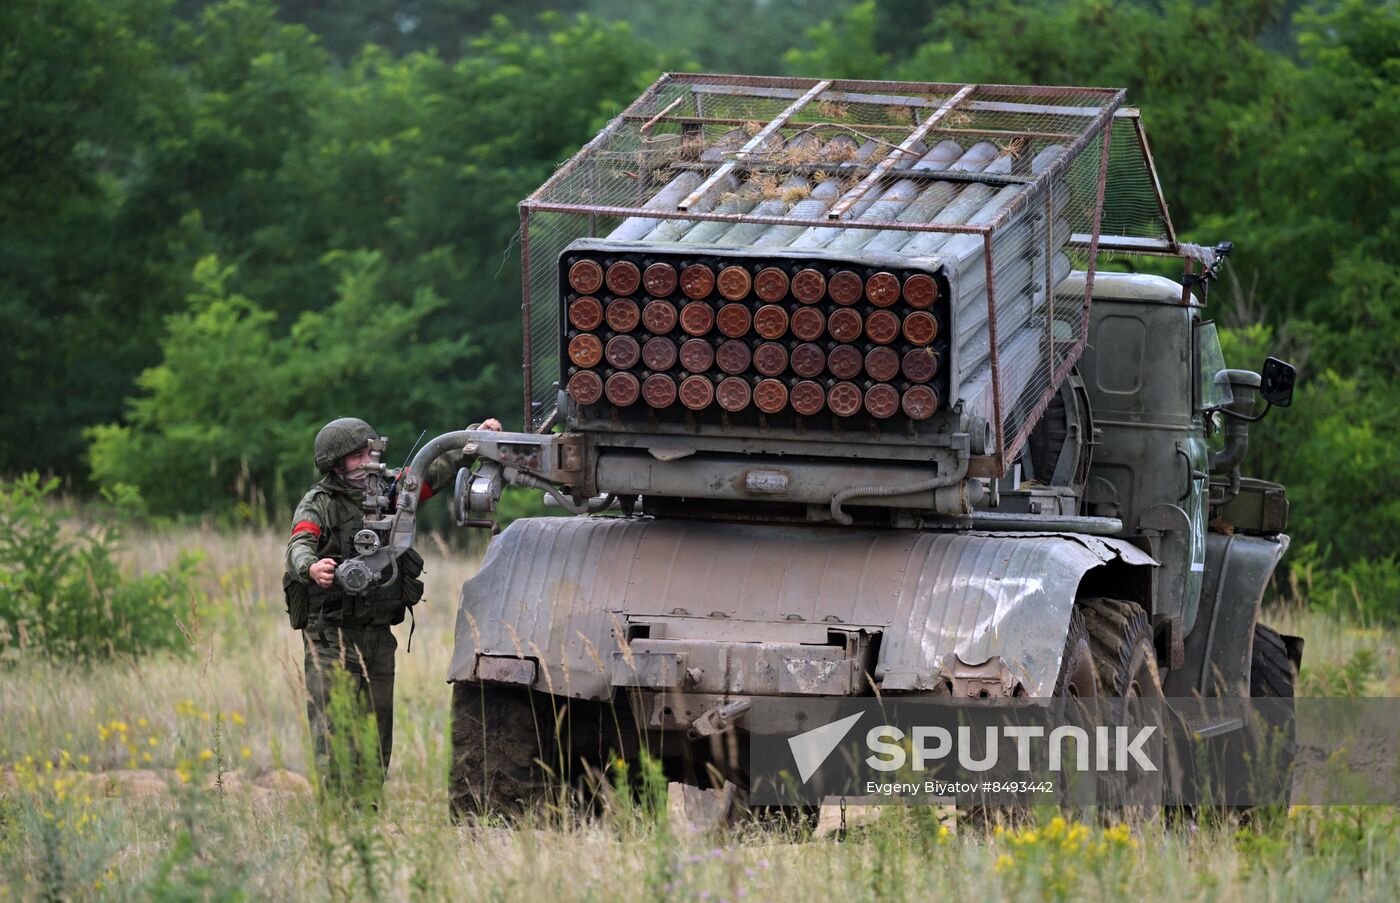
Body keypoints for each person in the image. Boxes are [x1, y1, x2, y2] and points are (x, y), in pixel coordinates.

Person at [284, 416, 501, 799]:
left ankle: (366, 815)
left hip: (377, 639)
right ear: (337, 465)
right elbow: (299, 544)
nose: (368, 459)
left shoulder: (390, 491)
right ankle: (337, 820)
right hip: (331, 639)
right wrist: (311, 566)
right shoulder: (319, 503)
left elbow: (431, 474)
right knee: (335, 736)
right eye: (358, 455)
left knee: (376, 736)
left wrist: (473, 442)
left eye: (370, 451)